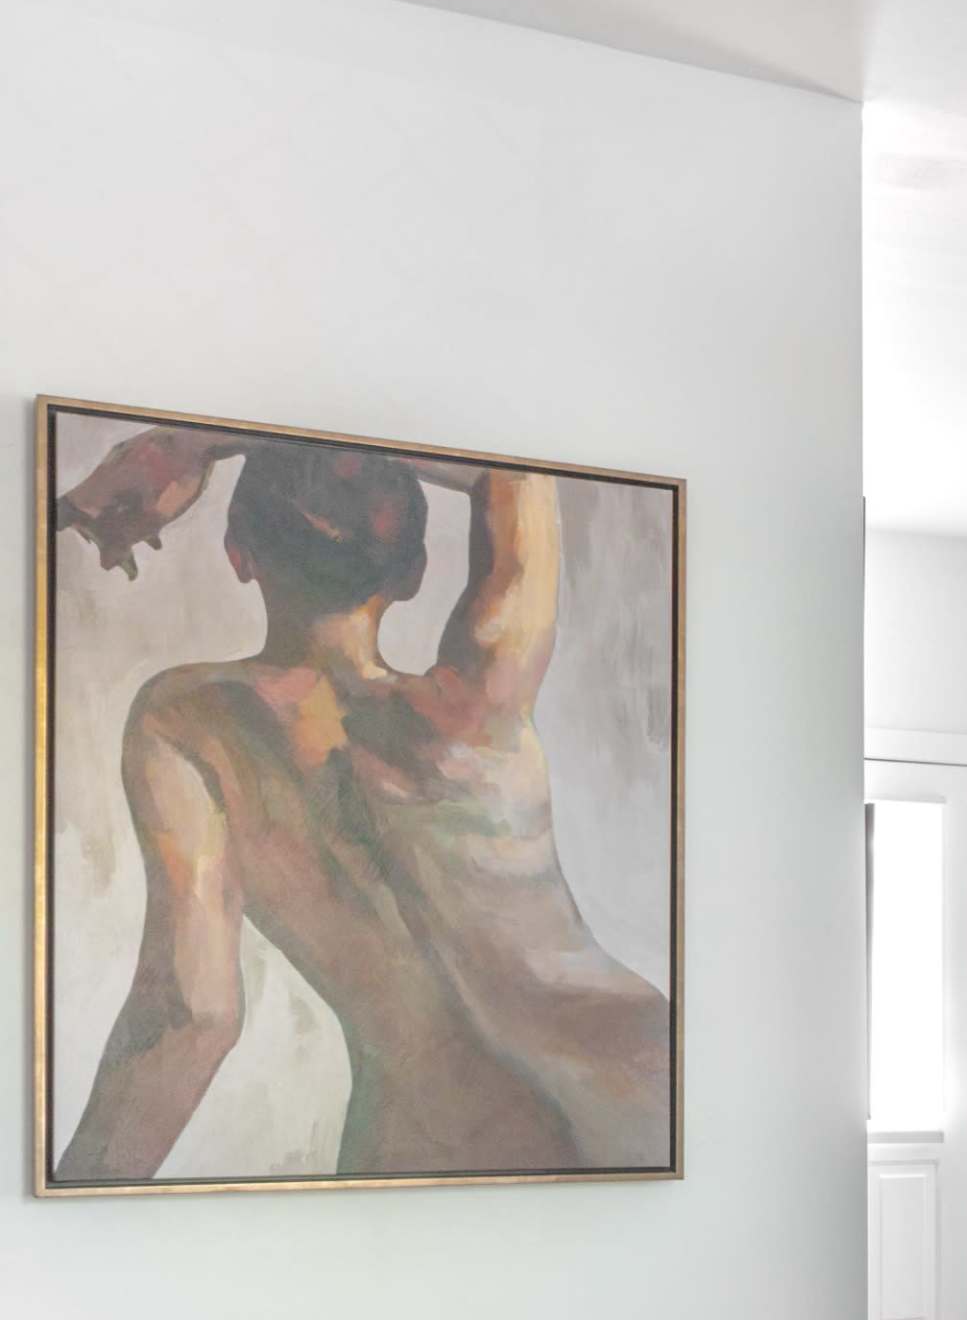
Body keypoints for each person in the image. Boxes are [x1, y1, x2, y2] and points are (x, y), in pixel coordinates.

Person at [52, 422, 672, 1179]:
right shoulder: (482, 699)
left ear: (238, 555)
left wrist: (59, 1208)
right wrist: (199, 442)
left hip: (435, 1150)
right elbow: (515, 480)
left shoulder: (188, 727)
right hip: (650, 1099)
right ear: (412, 571)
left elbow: (193, 1018)